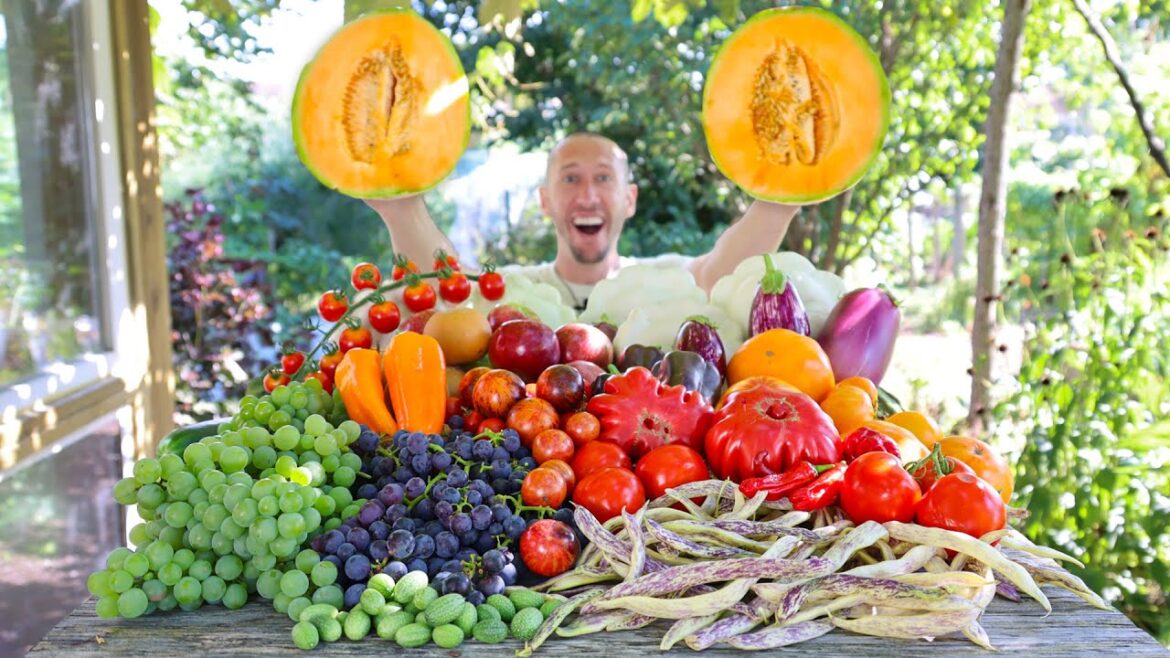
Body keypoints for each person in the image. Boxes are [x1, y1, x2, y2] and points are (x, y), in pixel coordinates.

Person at [363, 132, 800, 311]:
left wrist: (781, 201)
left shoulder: (663, 281)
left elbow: (721, 273)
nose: (588, 196)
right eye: (570, 179)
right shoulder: (509, 291)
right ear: (546, 201)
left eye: (604, 179)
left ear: (629, 200)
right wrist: (401, 209)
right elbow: (447, 296)